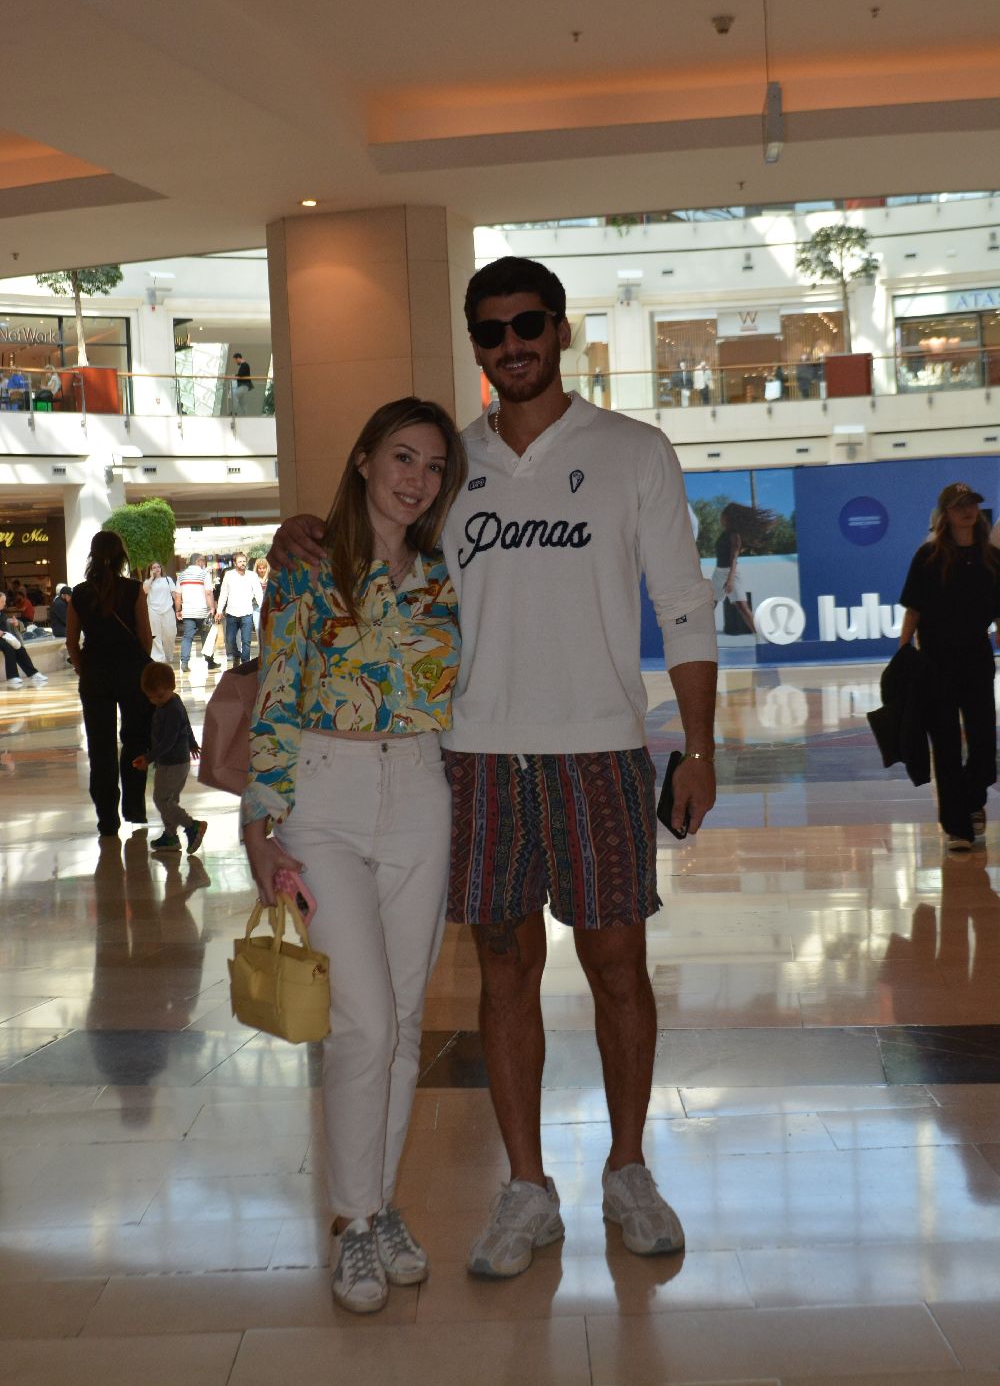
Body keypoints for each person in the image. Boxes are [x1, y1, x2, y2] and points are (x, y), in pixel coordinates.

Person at [269, 255, 719, 1281]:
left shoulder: (633, 452)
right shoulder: (447, 466)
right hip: (473, 757)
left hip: (600, 750)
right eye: (490, 330)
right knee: (506, 970)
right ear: (475, 344)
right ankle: (526, 1187)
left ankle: (628, 1170)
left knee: (618, 969)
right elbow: (372, 543)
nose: (510, 344)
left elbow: (684, 606)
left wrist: (697, 748)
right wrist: (303, 531)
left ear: (561, 331)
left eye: (527, 324)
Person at [244, 397, 465, 1315]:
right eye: (403, 458)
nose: (418, 480)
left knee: (405, 1022)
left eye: (434, 467)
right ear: (366, 459)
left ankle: (378, 1210)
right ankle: (349, 1221)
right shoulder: (306, 570)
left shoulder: (446, 575)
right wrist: (259, 827)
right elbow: (276, 694)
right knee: (365, 1022)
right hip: (324, 799)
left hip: (419, 790)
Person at [898, 481, 1000, 850]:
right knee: (945, 745)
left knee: (984, 744)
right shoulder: (928, 557)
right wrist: (903, 653)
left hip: (977, 658)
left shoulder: (992, 558)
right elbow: (913, 609)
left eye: (971, 504)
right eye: (958, 506)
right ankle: (958, 827)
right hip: (935, 661)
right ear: (945, 514)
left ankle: (972, 799)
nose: (967, 511)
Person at [66, 531, 154, 838]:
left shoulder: (79, 594)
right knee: (135, 739)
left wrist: (84, 670)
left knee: (100, 747)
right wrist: (139, 665)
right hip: (131, 673)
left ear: (93, 555)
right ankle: (133, 808)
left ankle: (107, 820)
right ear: (121, 557)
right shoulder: (134, 589)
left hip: (95, 675)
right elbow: (145, 637)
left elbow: (72, 641)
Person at [133, 662, 206, 854]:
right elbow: (186, 724)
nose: (156, 701)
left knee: (161, 799)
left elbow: (169, 740)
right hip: (175, 761)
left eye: (159, 696)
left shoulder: (171, 709)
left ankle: (192, 826)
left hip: (172, 763)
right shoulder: (173, 701)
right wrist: (192, 742)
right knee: (170, 801)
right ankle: (170, 836)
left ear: (171, 687)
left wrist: (148, 758)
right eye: (151, 697)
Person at [710, 503, 774, 636]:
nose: (720, 518)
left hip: (730, 573)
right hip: (718, 573)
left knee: (742, 607)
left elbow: (734, 558)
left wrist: (730, 579)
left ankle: (762, 637)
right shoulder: (724, 534)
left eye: (723, 515)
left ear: (729, 517)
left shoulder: (735, 536)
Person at [215, 552, 264, 667]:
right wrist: (219, 610)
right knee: (230, 639)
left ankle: (245, 663)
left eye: (244, 561)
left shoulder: (252, 576)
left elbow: (258, 593)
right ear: (235, 563)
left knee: (246, 641)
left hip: (247, 613)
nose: (242, 564)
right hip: (231, 613)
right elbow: (223, 593)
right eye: (240, 561)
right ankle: (236, 654)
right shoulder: (229, 575)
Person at [177, 554, 218, 671]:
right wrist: (212, 608)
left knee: (187, 637)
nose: (204, 563)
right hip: (203, 612)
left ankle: (184, 663)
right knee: (206, 636)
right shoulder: (204, 574)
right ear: (198, 561)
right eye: (203, 561)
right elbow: (208, 593)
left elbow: (177, 595)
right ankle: (210, 662)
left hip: (188, 612)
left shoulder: (181, 575)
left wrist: (178, 610)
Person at [0, 591, 48, 688]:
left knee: (20, 648)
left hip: (3, 637)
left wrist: (14, 623)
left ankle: (33, 673)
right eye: (2, 601)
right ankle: (12, 676)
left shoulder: (1, 613)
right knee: (9, 647)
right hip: (2, 638)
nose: (4, 603)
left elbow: (5, 624)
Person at [143, 562, 181, 663]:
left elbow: (174, 594)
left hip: (167, 609)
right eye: (154, 567)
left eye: (158, 567)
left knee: (171, 634)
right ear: (150, 570)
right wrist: (151, 577)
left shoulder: (168, 580)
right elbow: (145, 590)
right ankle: (158, 659)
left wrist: (179, 607)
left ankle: (168, 655)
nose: (157, 569)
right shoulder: (148, 582)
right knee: (155, 635)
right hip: (153, 611)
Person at [252, 557, 270, 634]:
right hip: (256, 607)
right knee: (258, 629)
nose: (262, 570)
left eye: (264, 568)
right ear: (256, 569)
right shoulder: (253, 579)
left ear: (267, 568)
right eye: (260, 568)